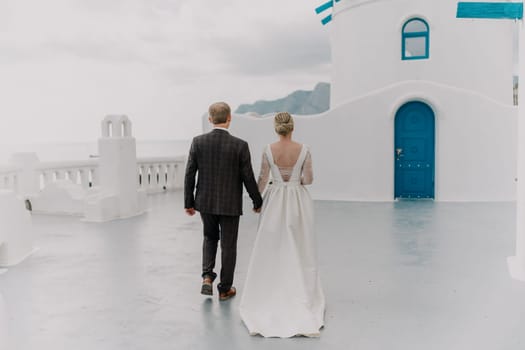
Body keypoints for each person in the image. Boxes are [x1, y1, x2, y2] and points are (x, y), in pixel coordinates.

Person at [240, 112, 325, 337]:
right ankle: (301, 292)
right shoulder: (304, 149)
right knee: (300, 245)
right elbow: (309, 179)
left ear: (276, 128)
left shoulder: (268, 149)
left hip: (275, 199)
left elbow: (262, 178)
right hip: (298, 199)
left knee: (271, 245)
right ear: (292, 127)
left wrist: (257, 201)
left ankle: (271, 289)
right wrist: (295, 180)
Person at [184, 102, 263, 301]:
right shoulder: (240, 145)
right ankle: (225, 289)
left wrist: (189, 202)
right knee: (229, 245)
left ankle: (207, 277)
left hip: (205, 202)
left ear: (210, 120)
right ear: (229, 119)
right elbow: (248, 177)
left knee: (209, 238)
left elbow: (190, 174)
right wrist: (257, 200)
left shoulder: (198, 142)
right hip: (230, 205)